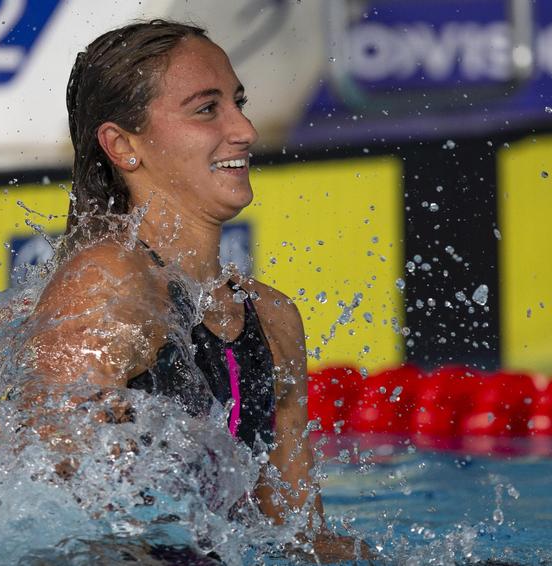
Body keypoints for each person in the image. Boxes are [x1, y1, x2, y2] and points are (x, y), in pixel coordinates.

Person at [26, 19, 368, 562]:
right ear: (122, 145)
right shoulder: (108, 283)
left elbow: (296, 539)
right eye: (207, 109)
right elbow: (41, 503)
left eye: (239, 101)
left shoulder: (274, 319)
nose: (246, 130)